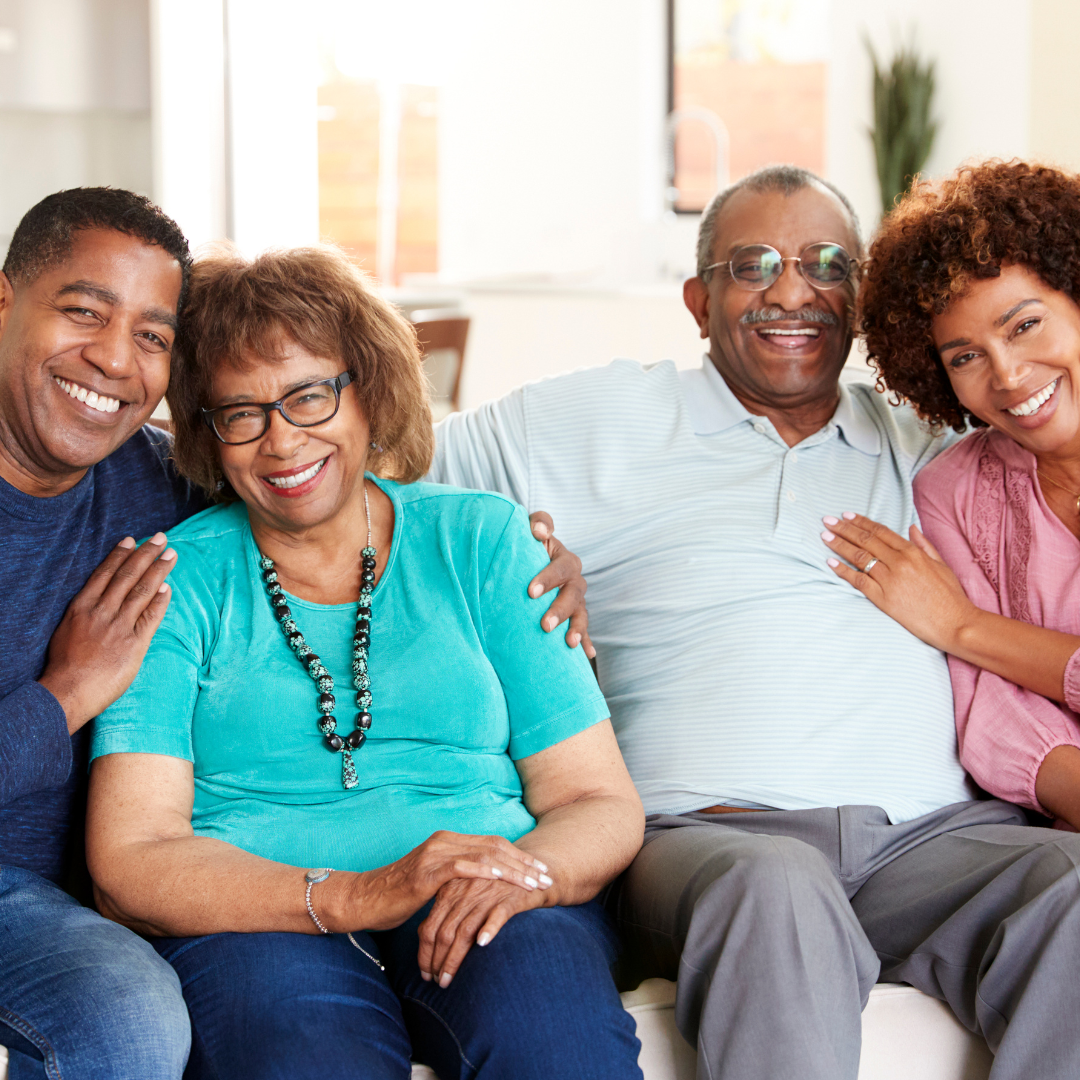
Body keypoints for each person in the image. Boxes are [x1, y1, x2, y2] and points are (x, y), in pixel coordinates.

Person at [427, 164, 1080, 1080]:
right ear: (698, 301)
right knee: (777, 887)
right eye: (752, 265)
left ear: (860, 301)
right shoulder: (593, 415)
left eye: (824, 262)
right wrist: (513, 546)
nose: (791, 289)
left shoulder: (936, 449)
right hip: (707, 838)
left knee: (1073, 892)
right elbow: (384, 472)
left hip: (932, 840)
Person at [85, 245, 646, 1080]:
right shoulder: (174, 580)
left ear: (370, 390)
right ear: (208, 433)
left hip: (489, 887)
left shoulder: (484, 541)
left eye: (309, 396)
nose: (282, 441)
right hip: (259, 915)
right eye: (241, 412)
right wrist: (356, 892)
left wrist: (532, 876)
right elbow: (132, 857)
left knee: (558, 1045)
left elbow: (595, 798)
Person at [0, 187, 202, 1079]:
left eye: (153, 337)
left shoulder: (162, 486)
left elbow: (336, 489)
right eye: (84, 311)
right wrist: (71, 690)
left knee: (140, 1010)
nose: (116, 360)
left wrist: (525, 559)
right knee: (126, 1013)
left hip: (102, 888)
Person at [821, 160, 1080, 833]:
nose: (1009, 374)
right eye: (964, 355)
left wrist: (963, 627)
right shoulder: (953, 493)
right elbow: (993, 707)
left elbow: (972, 647)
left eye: (1024, 325)